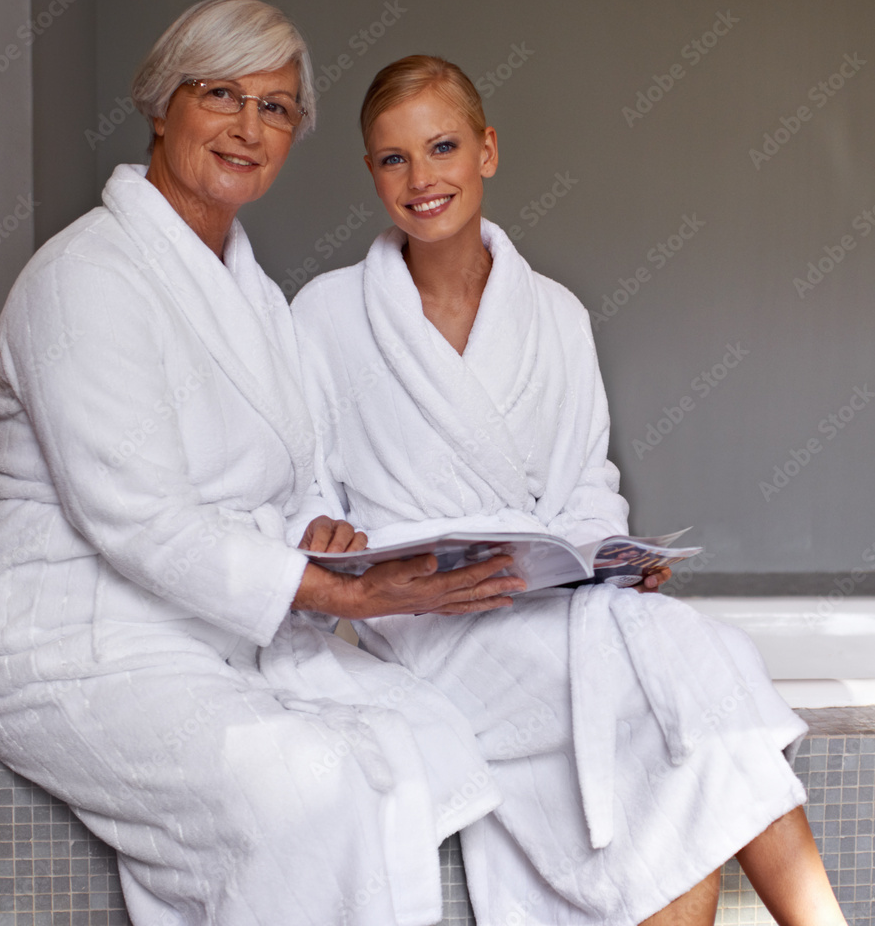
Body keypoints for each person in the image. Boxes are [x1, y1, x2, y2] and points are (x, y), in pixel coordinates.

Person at [0, 1, 528, 926]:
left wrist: (325, 539)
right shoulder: (83, 280)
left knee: (421, 739)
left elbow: (296, 476)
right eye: (220, 94)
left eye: (275, 108)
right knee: (305, 780)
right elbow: (135, 518)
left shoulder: (256, 298)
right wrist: (334, 594)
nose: (247, 128)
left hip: (211, 633)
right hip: (75, 646)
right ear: (161, 105)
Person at [290, 55, 849, 926]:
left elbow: (588, 487)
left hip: (557, 600)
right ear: (370, 173)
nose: (421, 177)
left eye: (441, 146)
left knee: (704, 661)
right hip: (432, 621)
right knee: (675, 725)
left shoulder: (554, 313)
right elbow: (305, 491)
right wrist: (324, 536)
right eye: (393, 158)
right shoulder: (323, 317)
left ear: (487, 151)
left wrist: (612, 561)